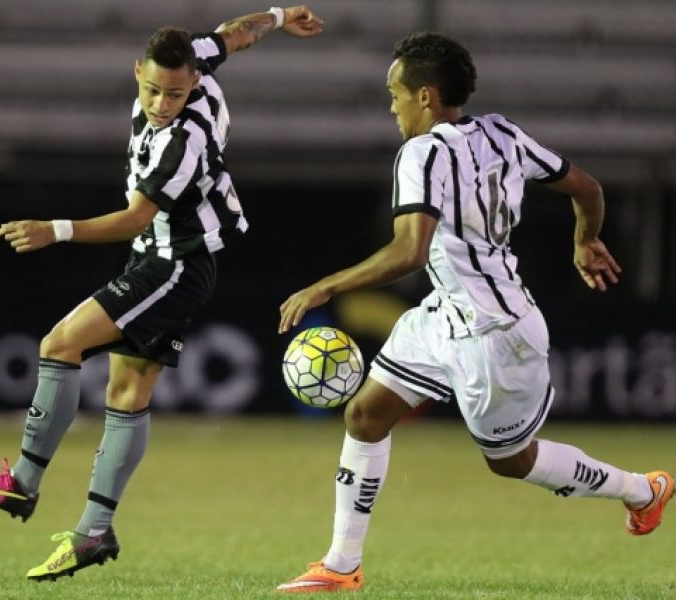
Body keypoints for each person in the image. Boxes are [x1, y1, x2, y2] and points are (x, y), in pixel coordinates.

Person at [275, 32, 673, 593]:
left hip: (495, 333)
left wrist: (325, 286)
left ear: (425, 97)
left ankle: (641, 490)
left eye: (395, 95)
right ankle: (341, 564)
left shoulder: (421, 152)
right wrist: (585, 239)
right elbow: (587, 188)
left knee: (511, 461)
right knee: (365, 415)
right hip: (444, 314)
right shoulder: (502, 133)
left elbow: (409, 252)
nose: (392, 107)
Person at [0, 5, 323, 582]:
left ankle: (22, 484)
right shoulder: (196, 57)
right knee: (127, 391)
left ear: (193, 83)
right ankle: (93, 532)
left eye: (174, 94)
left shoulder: (184, 140)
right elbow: (235, 35)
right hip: (163, 259)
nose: (161, 104)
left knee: (59, 344)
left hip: (175, 263)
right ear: (138, 72)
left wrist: (55, 230)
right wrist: (276, 14)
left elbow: (133, 218)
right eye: (153, 90)